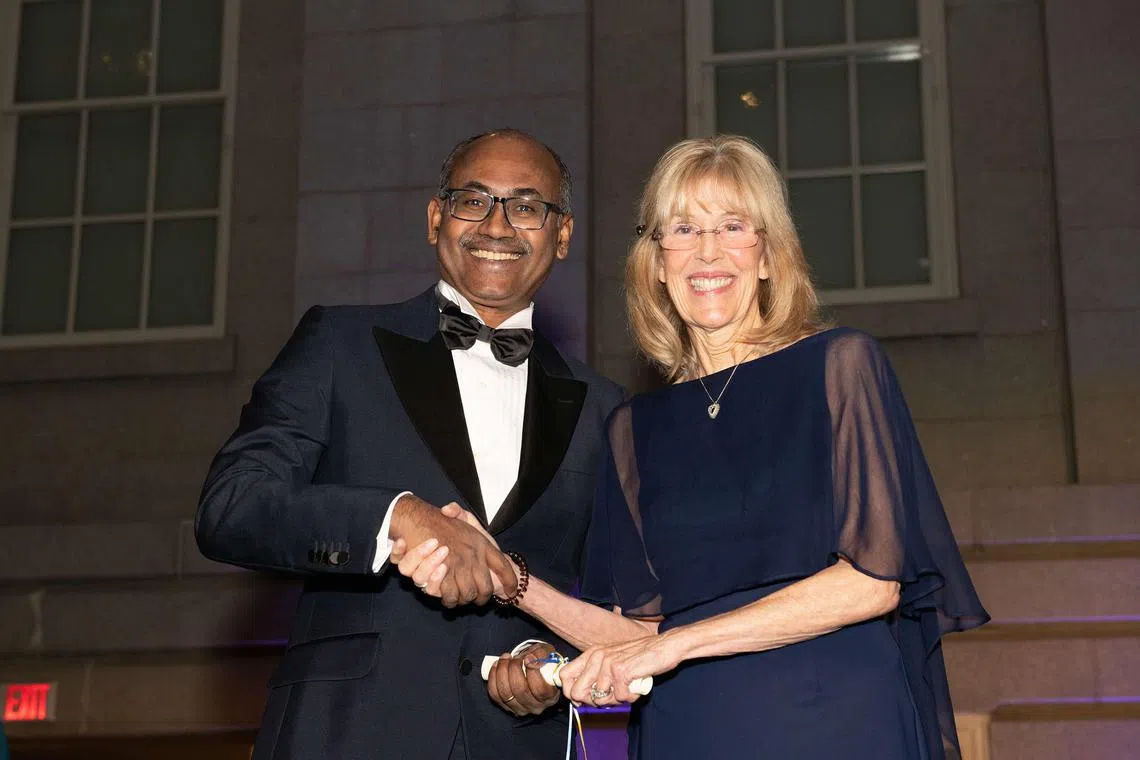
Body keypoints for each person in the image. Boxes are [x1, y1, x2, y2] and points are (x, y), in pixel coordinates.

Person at [393, 134, 990, 760]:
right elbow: (638, 631)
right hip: (688, 727)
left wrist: (673, 646)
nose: (708, 251)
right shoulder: (632, 428)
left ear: (767, 256)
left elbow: (872, 584)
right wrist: (510, 579)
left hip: (830, 719)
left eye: (733, 226)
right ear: (655, 261)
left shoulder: (840, 366)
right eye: (682, 229)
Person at [195, 128, 624, 760]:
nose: (497, 226)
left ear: (562, 235)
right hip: (345, 735)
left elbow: (613, 605)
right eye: (472, 201)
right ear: (435, 219)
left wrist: (550, 665)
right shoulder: (339, 344)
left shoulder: (605, 408)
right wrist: (396, 517)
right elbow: (230, 507)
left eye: (527, 206)